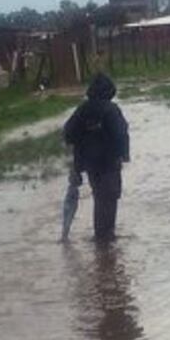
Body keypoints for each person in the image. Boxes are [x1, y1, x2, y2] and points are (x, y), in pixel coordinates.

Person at [63, 73, 130, 241]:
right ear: (110, 91)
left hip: (90, 164)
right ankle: (106, 237)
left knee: (100, 197)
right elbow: (120, 134)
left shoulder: (82, 109)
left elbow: (68, 134)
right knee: (110, 198)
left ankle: (101, 238)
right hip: (108, 163)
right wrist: (124, 155)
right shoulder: (111, 109)